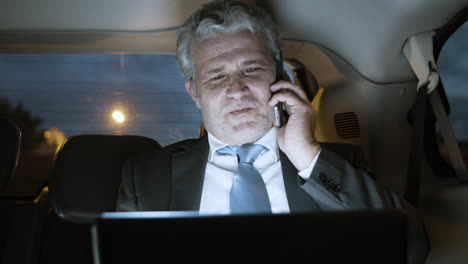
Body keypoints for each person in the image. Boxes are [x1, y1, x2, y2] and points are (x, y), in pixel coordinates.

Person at [117, 0, 429, 262]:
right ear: (194, 93)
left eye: (251, 69)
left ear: (279, 77)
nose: (237, 89)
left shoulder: (333, 164)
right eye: (216, 76)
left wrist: (307, 154)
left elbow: (411, 249)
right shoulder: (145, 178)